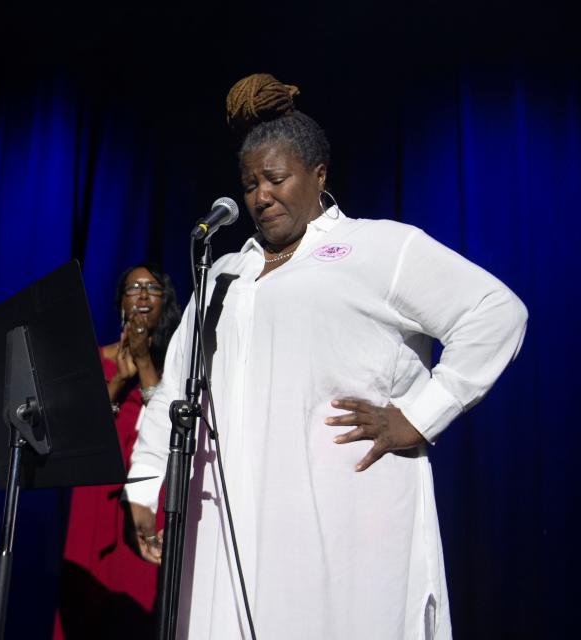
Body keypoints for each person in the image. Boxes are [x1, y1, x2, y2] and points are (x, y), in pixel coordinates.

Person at [124, 73, 528, 639]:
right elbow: (176, 389)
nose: (260, 195)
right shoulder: (221, 276)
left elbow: (494, 311)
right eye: (248, 183)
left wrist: (420, 415)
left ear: (318, 175)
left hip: (346, 514)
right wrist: (144, 485)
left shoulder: (377, 248)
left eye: (276, 178)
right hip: (227, 518)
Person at [53, 262, 181, 639]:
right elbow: (77, 435)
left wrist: (143, 364)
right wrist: (118, 382)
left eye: (152, 288)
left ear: (165, 302)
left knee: (136, 608)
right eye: (133, 288)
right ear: (119, 302)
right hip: (92, 501)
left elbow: (166, 426)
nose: (142, 295)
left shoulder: (177, 369)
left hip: (143, 502)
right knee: (84, 606)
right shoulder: (93, 359)